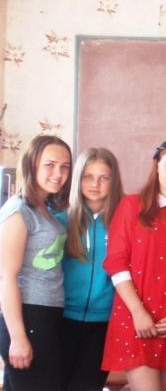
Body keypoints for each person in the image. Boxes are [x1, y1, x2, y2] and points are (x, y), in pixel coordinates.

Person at [101, 141, 166, 391]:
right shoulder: (131, 206)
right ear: (157, 166)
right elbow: (116, 263)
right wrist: (138, 312)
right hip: (136, 318)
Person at [0, 135, 72, 390]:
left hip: (47, 314)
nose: (58, 173)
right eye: (50, 165)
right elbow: (6, 277)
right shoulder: (18, 210)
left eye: (65, 166)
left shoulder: (44, 209)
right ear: (32, 165)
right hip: (28, 316)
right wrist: (18, 337)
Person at [55, 147, 123, 391]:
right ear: (77, 178)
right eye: (88, 176)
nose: (95, 184)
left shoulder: (124, 219)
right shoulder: (58, 217)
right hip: (61, 320)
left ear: (114, 182)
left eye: (104, 177)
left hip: (104, 323)